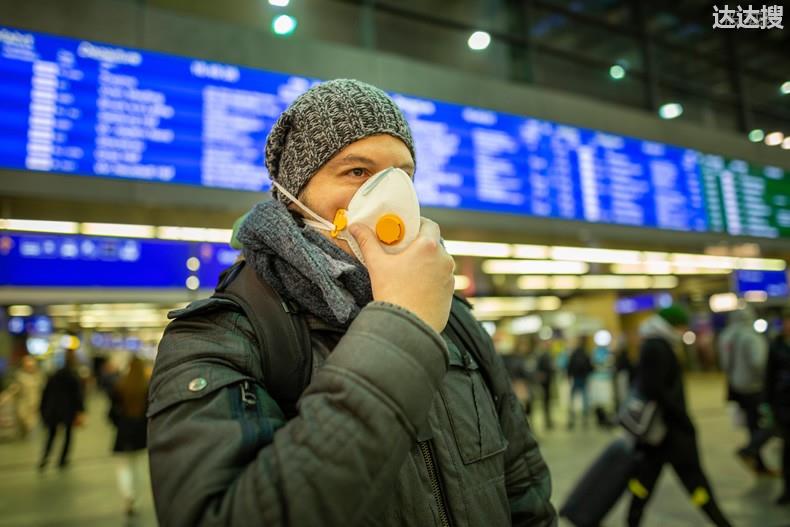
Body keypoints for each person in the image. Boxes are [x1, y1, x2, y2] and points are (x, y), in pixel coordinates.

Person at [147, 79, 556, 526]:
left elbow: (524, 493)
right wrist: (402, 324)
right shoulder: (221, 338)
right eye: (358, 172)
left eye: (403, 175)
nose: (390, 195)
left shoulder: (453, 317)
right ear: (295, 196)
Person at [627, 306, 732, 527]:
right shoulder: (657, 347)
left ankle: (632, 520)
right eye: (683, 326)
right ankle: (721, 522)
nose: (685, 331)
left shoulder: (656, 344)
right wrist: (682, 418)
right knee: (692, 479)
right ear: (672, 325)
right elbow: (656, 389)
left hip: (660, 433)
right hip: (669, 429)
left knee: (647, 479)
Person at [718, 306, 770, 473]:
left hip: (736, 386)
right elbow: (759, 363)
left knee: (752, 423)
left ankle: (758, 461)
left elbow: (724, 364)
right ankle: (751, 451)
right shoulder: (751, 336)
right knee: (770, 423)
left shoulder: (725, 336)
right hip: (755, 387)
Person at [110, 356, 150, 516]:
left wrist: (118, 423)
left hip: (123, 431)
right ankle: (137, 499)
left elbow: (112, 411)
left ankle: (128, 495)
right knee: (139, 467)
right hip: (141, 432)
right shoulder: (147, 387)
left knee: (123, 467)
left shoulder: (120, 386)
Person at [39, 349, 84, 471]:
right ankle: (62, 460)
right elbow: (77, 396)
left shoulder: (54, 376)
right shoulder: (73, 376)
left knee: (51, 436)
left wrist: (43, 409)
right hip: (68, 411)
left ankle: (45, 457)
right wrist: (80, 411)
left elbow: (45, 394)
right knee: (68, 435)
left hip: (53, 410)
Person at [765, 307, 790, 505]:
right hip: (784, 405)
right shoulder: (776, 346)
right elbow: (769, 377)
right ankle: (787, 490)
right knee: (787, 449)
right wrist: (768, 404)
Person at [13, 355, 43, 438]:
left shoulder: (39, 376)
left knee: (31, 422)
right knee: (22, 418)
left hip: (34, 404)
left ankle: (27, 432)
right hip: (23, 403)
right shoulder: (20, 376)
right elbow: (14, 389)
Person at [567, 336, 593, 429]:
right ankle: (585, 419)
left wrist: (569, 375)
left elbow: (569, 366)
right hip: (584, 378)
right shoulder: (586, 353)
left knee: (572, 399)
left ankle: (571, 418)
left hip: (576, 378)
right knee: (585, 399)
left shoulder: (574, 353)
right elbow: (590, 367)